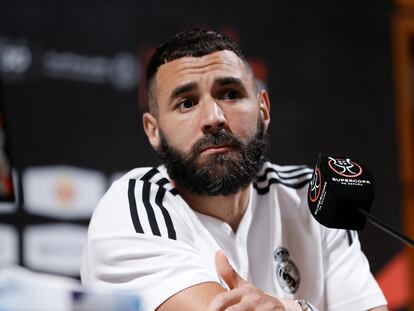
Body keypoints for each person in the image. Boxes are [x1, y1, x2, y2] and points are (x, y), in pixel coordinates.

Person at [81, 29, 388, 311]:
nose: (214, 117)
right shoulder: (132, 208)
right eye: (187, 103)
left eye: (230, 94)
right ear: (154, 130)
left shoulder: (312, 196)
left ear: (263, 109)